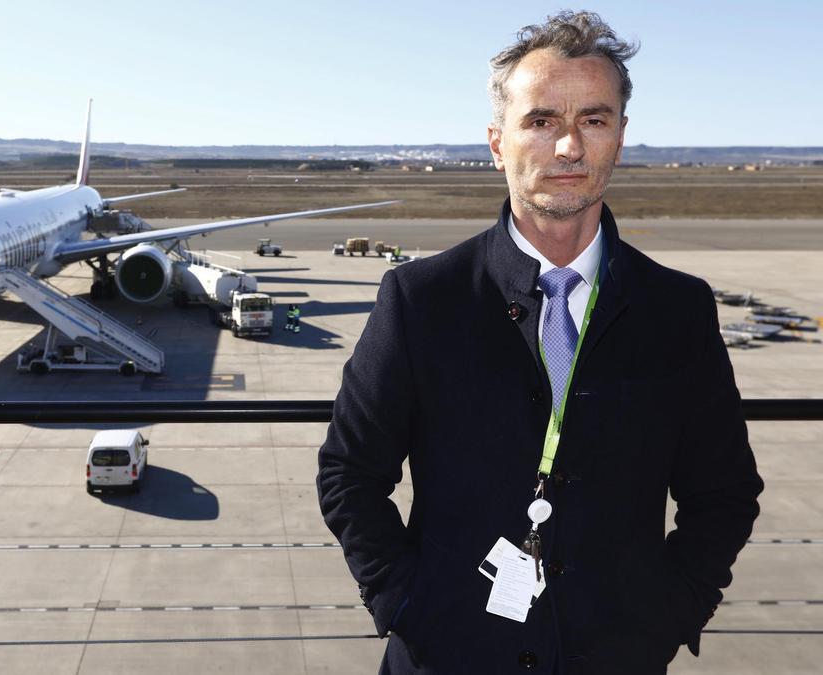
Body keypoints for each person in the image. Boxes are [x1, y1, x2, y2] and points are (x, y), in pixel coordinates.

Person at [317, 11, 762, 674]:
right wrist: (407, 604)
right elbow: (349, 475)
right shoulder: (420, 300)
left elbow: (724, 495)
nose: (568, 147)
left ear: (620, 137)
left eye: (593, 119)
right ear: (497, 143)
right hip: (446, 657)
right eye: (541, 120)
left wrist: (668, 613)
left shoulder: (678, 311)